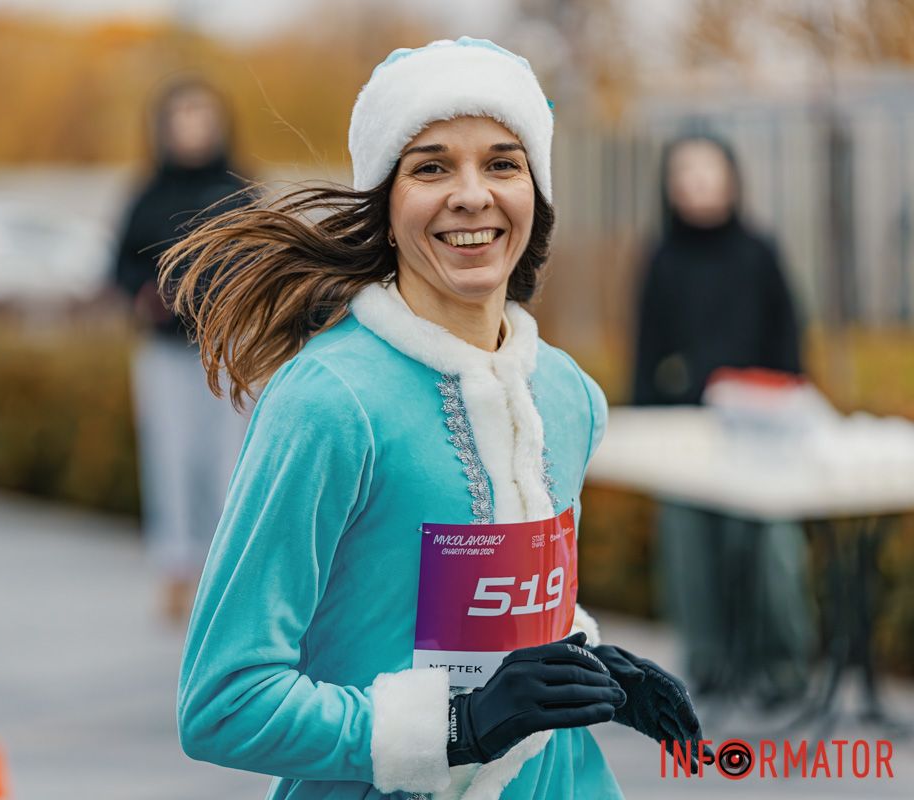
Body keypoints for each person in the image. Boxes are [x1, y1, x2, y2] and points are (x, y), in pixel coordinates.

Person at [170, 39, 705, 799]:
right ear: (385, 207)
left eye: (501, 163)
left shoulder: (568, 394)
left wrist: (585, 660)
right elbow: (221, 703)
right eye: (430, 166)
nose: (471, 195)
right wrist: (457, 726)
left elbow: (503, 617)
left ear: (536, 194)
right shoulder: (327, 401)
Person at [631, 134, 814, 702]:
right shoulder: (661, 258)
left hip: (760, 433)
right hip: (686, 435)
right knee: (688, 546)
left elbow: (790, 344)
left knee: (768, 547)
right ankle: (709, 664)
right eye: (684, 172)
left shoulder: (759, 252)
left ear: (731, 178)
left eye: (707, 171)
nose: (696, 183)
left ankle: (783, 668)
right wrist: (649, 425)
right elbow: (647, 351)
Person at [110, 78, 251, 626]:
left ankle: (229, 576)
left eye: (202, 113)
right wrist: (143, 295)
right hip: (166, 353)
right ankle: (175, 568)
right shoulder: (146, 194)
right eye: (183, 114)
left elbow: (265, 259)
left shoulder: (240, 188)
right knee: (170, 457)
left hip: (230, 349)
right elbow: (120, 264)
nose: (192, 125)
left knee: (229, 461)